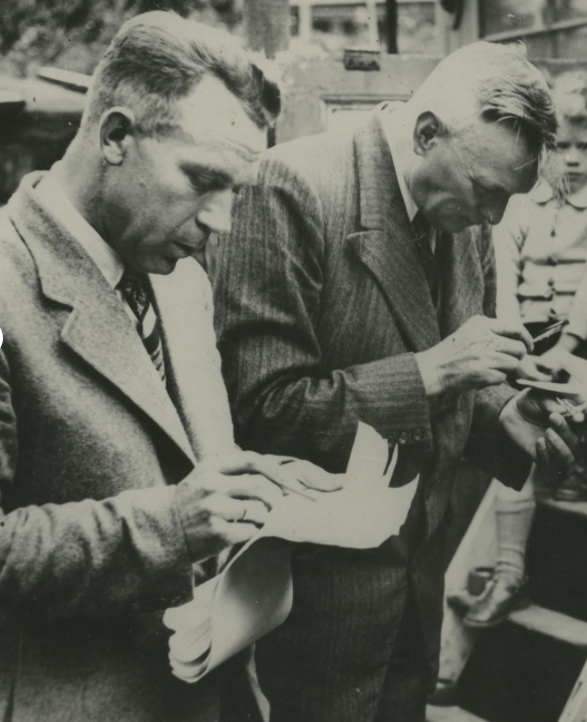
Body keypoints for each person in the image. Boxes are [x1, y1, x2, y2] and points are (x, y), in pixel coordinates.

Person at [212, 40, 587, 722]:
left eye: (509, 198)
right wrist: (436, 370)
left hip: (415, 586)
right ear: (425, 134)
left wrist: (508, 414)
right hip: (311, 607)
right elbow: (263, 410)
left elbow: (457, 388)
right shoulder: (291, 187)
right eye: (486, 192)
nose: (495, 219)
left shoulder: (463, 212)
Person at [0, 12, 338, 722]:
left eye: (235, 191)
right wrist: (174, 524)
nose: (220, 221)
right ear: (115, 136)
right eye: (202, 179)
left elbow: (177, 458)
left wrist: (257, 487)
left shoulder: (179, 280)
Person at [462, 73, 587, 628]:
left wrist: (571, 343)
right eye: (561, 147)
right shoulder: (521, 202)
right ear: (542, 146)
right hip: (528, 333)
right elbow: (500, 273)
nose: (573, 160)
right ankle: (509, 570)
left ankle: (583, 461)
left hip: (586, 332)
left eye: (585, 147)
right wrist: (513, 344)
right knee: (515, 429)